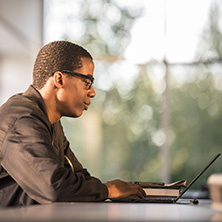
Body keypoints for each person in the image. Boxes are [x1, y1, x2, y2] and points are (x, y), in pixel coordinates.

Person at [0, 41, 145, 207]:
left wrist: (111, 189)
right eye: (87, 82)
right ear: (59, 79)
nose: (92, 92)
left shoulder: (48, 119)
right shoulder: (22, 119)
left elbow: (77, 175)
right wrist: (108, 190)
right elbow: (54, 187)